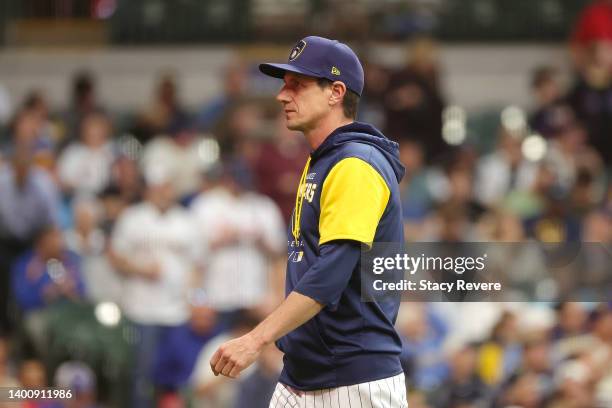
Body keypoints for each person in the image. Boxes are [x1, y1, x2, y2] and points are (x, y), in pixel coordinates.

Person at [209, 36, 408, 407]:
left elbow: (330, 275)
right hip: (303, 375)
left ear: (335, 92)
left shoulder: (355, 164)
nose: (282, 96)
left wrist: (256, 338)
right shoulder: (324, 159)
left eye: (296, 85)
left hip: (352, 380)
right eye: (284, 85)